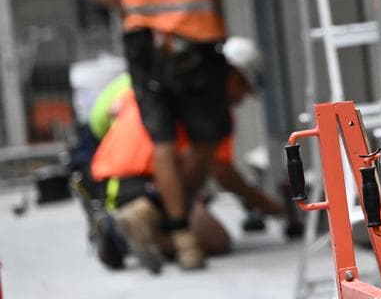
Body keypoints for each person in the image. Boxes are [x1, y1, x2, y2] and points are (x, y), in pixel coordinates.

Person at [61, 0, 289, 270]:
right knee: (207, 137)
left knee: (163, 139)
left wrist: (118, 4)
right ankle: (166, 219)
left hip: (141, 43)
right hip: (193, 41)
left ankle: (180, 237)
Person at [86, 37, 285, 272]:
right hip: (142, 185)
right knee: (215, 240)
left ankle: (131, 229)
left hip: (107, 182)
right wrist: (269, 206)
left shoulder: (156, 83)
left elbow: (101, 123)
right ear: (233, 75)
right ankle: (119, 233)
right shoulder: (211, 108)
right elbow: (221, 171)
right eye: (244, 88)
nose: (241, 100)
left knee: (200, 218)